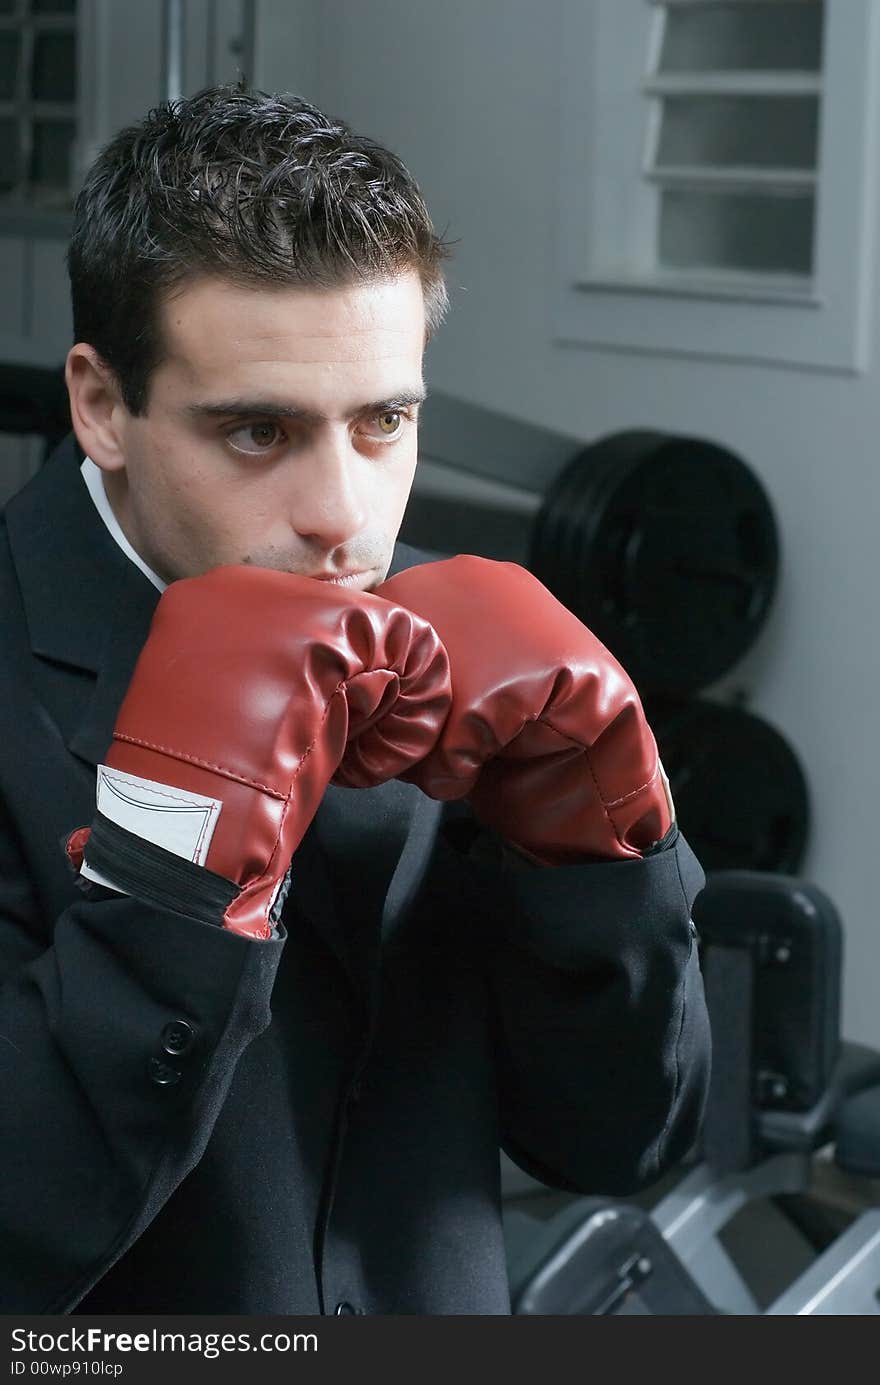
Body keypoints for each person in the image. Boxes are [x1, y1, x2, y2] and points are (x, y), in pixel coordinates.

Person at [0, 84, 710, 1315]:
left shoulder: (467, 654)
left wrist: (600, 857)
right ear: (102, 405)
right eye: (258, 431)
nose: (342, 516)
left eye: (384, 420)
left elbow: (617, 1144)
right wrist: (172, 870)